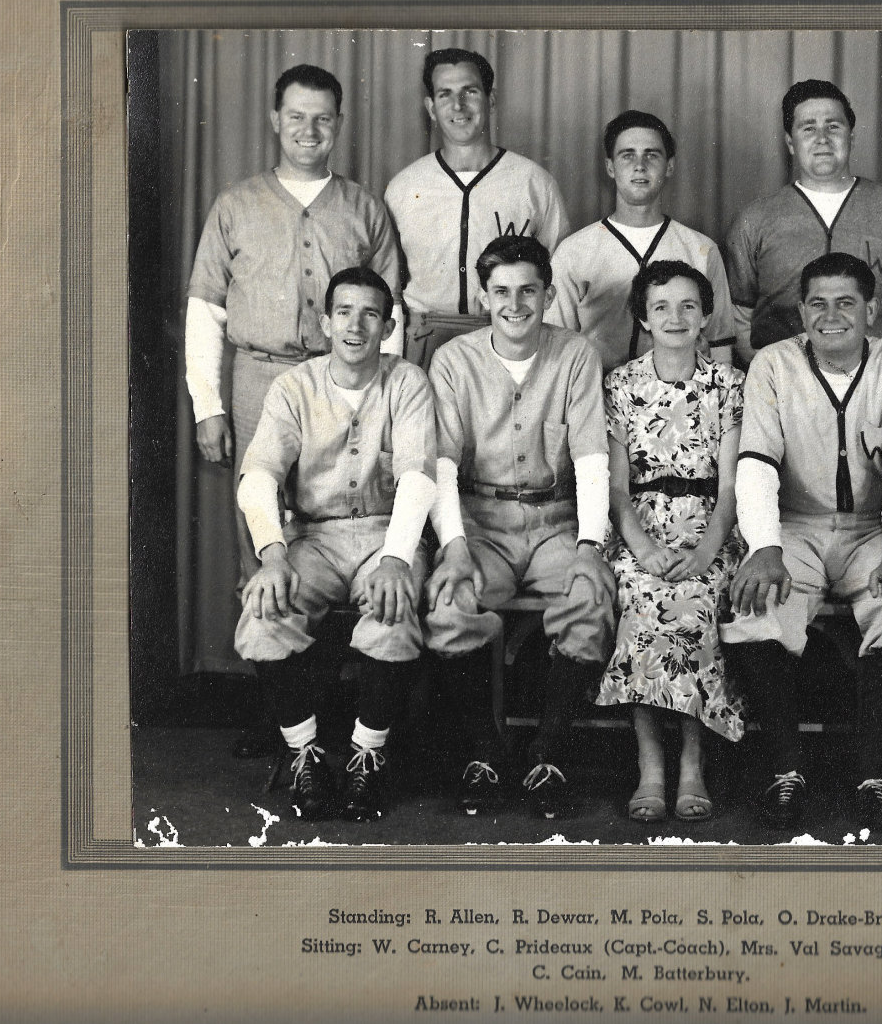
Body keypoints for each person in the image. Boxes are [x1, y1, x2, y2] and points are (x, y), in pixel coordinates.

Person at [184, 63, 401, 757]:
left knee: (348, 529)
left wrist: (376, 390)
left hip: (349, 384)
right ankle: (279, 711)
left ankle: (341, 711)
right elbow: (204, 311)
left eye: (324, 118)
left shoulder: (364, 208)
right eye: (297, 116)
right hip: (259, 378)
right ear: (275, 120)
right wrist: (208, 403)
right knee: (268, 541)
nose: (310, 130)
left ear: (340, 123)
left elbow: (391, 314)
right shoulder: (236, 204)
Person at [720, 253, 882, 834]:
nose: (831, 315)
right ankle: (786, 771)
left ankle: (874, 777)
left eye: (846, 303)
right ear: (800, 312)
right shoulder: (771, 364)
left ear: (871, 309)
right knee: (757, 609)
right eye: (817, 303)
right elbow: (757, 463)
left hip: (872, 528)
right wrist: (763, 545)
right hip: (796, 526)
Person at [233, 268, 436, 822]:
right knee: (265, 612)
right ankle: (306, 755)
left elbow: (419, 476)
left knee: (391, 613)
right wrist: (272, 556)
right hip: (313, 538)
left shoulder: (408, 382)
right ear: (325, 322)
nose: (355, 325)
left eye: (371, 314)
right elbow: (258, 476)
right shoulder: (294, 386)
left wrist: (397, 558)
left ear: (388, 326)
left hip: (385, 534)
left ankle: (366, 756)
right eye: (344, 312)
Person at [423, 235, 615, 820]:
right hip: (482, 521)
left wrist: (589, 546)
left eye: (528, 291)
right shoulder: (454, 360)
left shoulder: (577, 353)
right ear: (484, 297)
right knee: (452, 602)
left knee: (592, 596)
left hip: (558, 519)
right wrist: (454, 546)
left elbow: (591, 459)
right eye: (501, 292)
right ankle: (487, 752)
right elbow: (443, 465)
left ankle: (546, 755)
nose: (515, 304)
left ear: (549, 295)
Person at [593, 261, 747, 823]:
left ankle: (693, 761)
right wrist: (641, 548)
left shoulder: (729, 386)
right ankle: (650, 762)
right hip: (641, 527)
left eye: (688, 306)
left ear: (706, 316)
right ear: (643, 317)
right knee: (640, 596)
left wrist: (706, 550)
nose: (676, 317)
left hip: (709, 528)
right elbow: (615, 488)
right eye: (661, 307)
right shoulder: (620, 385)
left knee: (697, 598)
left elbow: (730, 487)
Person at [385, 48, 572, 370]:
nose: (458, 106)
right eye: (445, 94)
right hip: (424, 338)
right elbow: (389, 286)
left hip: (510, 333)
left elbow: (561, 276)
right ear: (431, 107)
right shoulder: (403, 187)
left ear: (491, 99)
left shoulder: (534, 182)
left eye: (469, 91)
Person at [724, 79, 882, 365]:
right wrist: (773, 373)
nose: (822, 138)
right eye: (808, 128)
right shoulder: (754, 220)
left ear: (852, 137)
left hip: (879, 379)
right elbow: (740, 317)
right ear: (790, 143)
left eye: (833, 126)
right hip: (788, 383)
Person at [546, 110, 736, 370]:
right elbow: (555, 343)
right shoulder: (574, 251)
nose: (640, 165)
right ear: (610, 167)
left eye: (651, 154)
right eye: (627, 155)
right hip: (596, 396)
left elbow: (719, 344)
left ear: (669, 166)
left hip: (680, 400)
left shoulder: (700, 249)